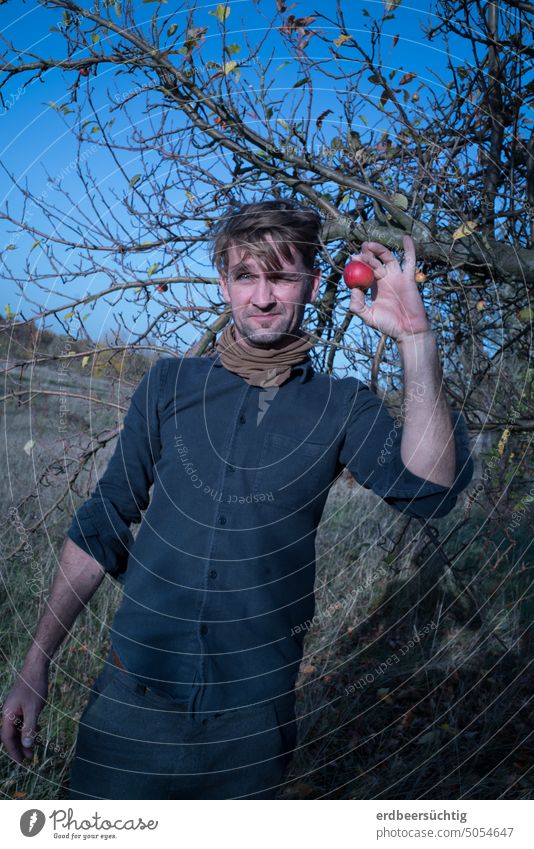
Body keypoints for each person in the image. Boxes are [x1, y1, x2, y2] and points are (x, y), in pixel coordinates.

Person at [1, 199, 474, 799]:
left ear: (312, 282)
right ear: (224, 283)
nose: (263, 296)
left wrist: (416, 339)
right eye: (246, 276)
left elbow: (430, 493)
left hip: (251, 726)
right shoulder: (169, 384)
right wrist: (36, 662)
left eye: (280, 276)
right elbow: (102, 524)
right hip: (129, 703)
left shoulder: (343, 405)